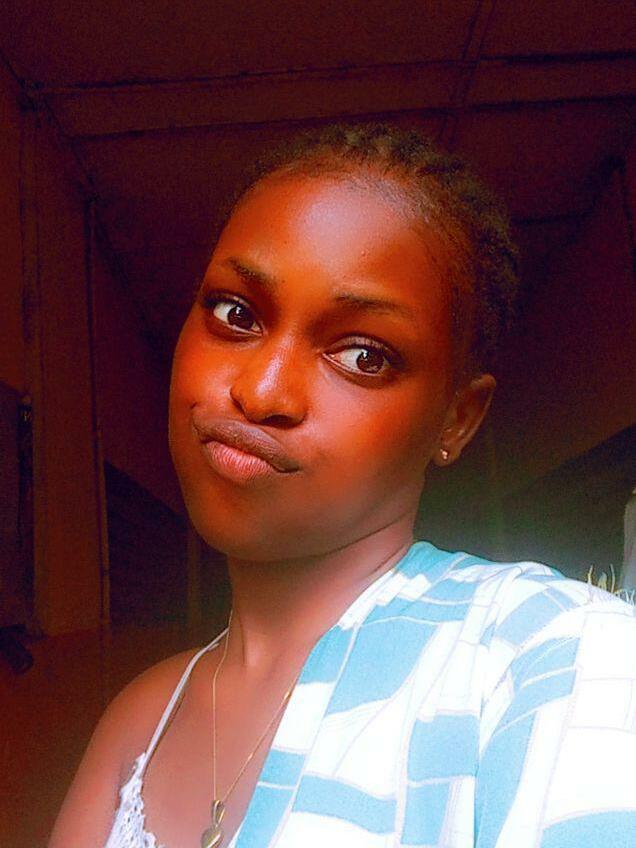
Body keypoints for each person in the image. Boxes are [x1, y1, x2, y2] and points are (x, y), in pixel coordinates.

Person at [49, 124, 636, 848]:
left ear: (456, 418)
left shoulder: (550, 658)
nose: (263, 391)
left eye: (363, 356)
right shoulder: (142, 720)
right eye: (237, 314)